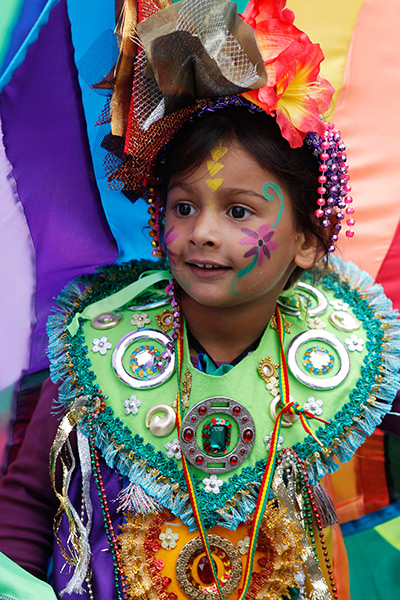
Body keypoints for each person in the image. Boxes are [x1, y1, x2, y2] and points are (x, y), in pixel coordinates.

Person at [0, 1, 399, 599]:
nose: (204, 232)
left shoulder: (354, 360)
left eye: (239, 212)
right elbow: (27, 503)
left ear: (309, 240)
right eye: (185, 207)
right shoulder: (96, 350)